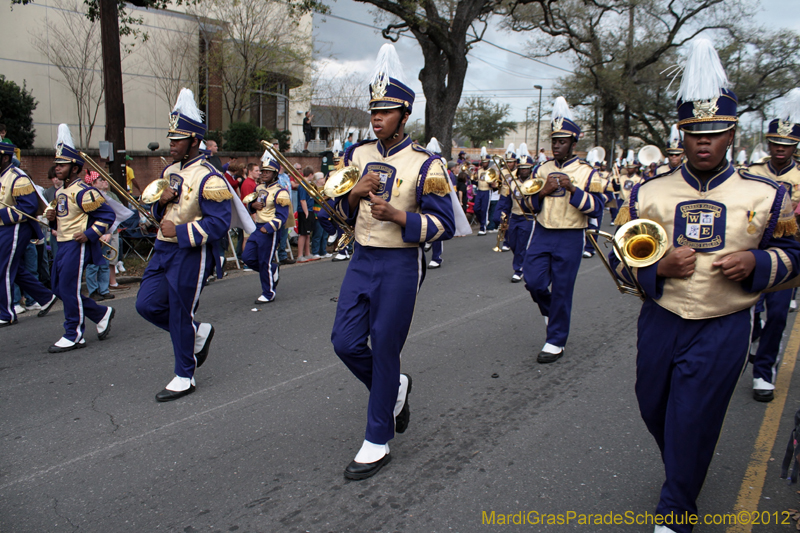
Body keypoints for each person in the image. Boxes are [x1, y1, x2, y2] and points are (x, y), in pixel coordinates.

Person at [610, 39, 800, 533]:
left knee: (692, 415)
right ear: (682, 133)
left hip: (724, 323)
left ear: (731, 133)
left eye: (714, 134)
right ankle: (685, 468)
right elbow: (618, 258)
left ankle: (676, 508)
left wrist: (758, 261)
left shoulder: (768, 194)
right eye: (694, 133)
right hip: (661, 318)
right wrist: (658, 269)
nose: (703, 143)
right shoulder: (647, 192)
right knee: (653, 405)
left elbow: (795, 258)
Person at [331, 44, 456, 480]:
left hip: (401, 263)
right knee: (344, 342)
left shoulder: (426, 164)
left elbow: (445, 225)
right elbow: (336, 214)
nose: (377, 118)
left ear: (405, 114)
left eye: (386, 111)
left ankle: (377, 439)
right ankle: (394, 387)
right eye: (374, 110)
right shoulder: (356, 155)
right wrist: (353, 195)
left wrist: (399, 216)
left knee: (385, 345)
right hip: (361, 257)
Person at [135, 88, 232, 401]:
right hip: (163, 249)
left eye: (178, 139)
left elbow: (219, 224)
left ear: (193, 140)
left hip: (191, 253)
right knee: (146, 304)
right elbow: (156, 212)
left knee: (179, 313)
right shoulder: (169, 171)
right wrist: (159, 204)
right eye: (171, 138)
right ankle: (198, 332)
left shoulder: (210, 177)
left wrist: (180, 232)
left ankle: (184, 375)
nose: (172, 144)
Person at [522, 96, 607, 364]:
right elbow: (526, 205)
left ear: (573, 143)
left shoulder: (587, 172)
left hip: (570, 235)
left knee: (562, 289)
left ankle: (556, 341)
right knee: (533, 281)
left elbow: (597, 209)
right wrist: (543, 192)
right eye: (554, 141)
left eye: (562, 141)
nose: (556, 146)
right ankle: (552, 312)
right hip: (542, 232)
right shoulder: (541, 169)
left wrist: (572, 188)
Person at [744, 89, 800, 402]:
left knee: (778, 314)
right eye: (776, 143)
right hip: (753, 250)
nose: (780, 149)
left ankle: (764, 372)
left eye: (787, 144)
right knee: (747, 311)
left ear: (795, 146)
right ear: (768, 143)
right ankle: (752, 342)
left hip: (787, 255)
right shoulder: (750, 173)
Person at [44, 124, 116, 351]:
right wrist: (52, 219)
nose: (57, 168)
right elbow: (63, 219)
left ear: (74, 168)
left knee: (68, 288)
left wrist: (89, 234)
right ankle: (101, 313)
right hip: (62, 243)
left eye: (62, 164)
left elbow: (108, 215)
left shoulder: (85, 191)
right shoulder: (60, 192)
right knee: (59, 288)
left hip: (76, 245)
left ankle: (74, 334)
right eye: (57, 164)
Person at [0, 140, 58, 327]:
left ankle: (6, 313)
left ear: (5, 158)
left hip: (16, 227)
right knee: (13, 268)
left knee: (3, 268)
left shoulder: (18, 178)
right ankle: (45, 297)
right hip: (4, 228)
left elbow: (28, 208)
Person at [241, 150, 290, 303]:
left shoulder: (281, 191)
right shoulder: (259, 188)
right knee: (247, 257)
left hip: (270, 230)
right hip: (257, 227)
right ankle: (272, 269)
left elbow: (282, 216)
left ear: (275, 173)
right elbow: (252, 205)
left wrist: (268, 228)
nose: (264, 174)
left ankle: (268, 293)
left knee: (264, 261)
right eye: (263, 171)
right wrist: (252, 206)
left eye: (268, 171)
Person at [495, 144, 535, 282]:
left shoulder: (535, 182)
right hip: (514, 216)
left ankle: (519, 269)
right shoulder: (512, 182)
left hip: (528, 217)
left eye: (526, 168)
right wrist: (503, 214)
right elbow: (507, 200)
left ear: (530, 169)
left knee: (522, 244)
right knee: (512, 243)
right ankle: (523, 262)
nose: (524, 171)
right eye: (522, 168)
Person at [83, 172, 116, 301]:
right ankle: (93, 291)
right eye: (100, 180)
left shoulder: (104, 196)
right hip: (94, 234)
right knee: (93, 265)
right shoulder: (87, 197)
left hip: (105, 233)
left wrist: (108, 233)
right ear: (93, 183)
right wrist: (95, 234)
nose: (103, 182)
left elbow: (109, 216)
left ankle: (104, 289)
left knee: (104, 264)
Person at [296, 166, 318, 262]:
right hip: (304, 211)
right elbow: (303, 200)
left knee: (308, 233)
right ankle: (300, 255)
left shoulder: (309, 185)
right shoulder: (302, 185)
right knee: (303, 233)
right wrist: (306, 213)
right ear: (310, 174)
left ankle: (308, 253)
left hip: (309, 210)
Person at [473, 147, 493, 235]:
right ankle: (483, 221)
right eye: (483, 162)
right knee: (476, 208)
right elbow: (477, 180)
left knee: (484, 209)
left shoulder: (491, 171)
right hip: (480, 191)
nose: (484, 163)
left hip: (487, 191)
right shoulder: (479, 170)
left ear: (488, 162)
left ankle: (483, 228)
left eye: (485, 162)